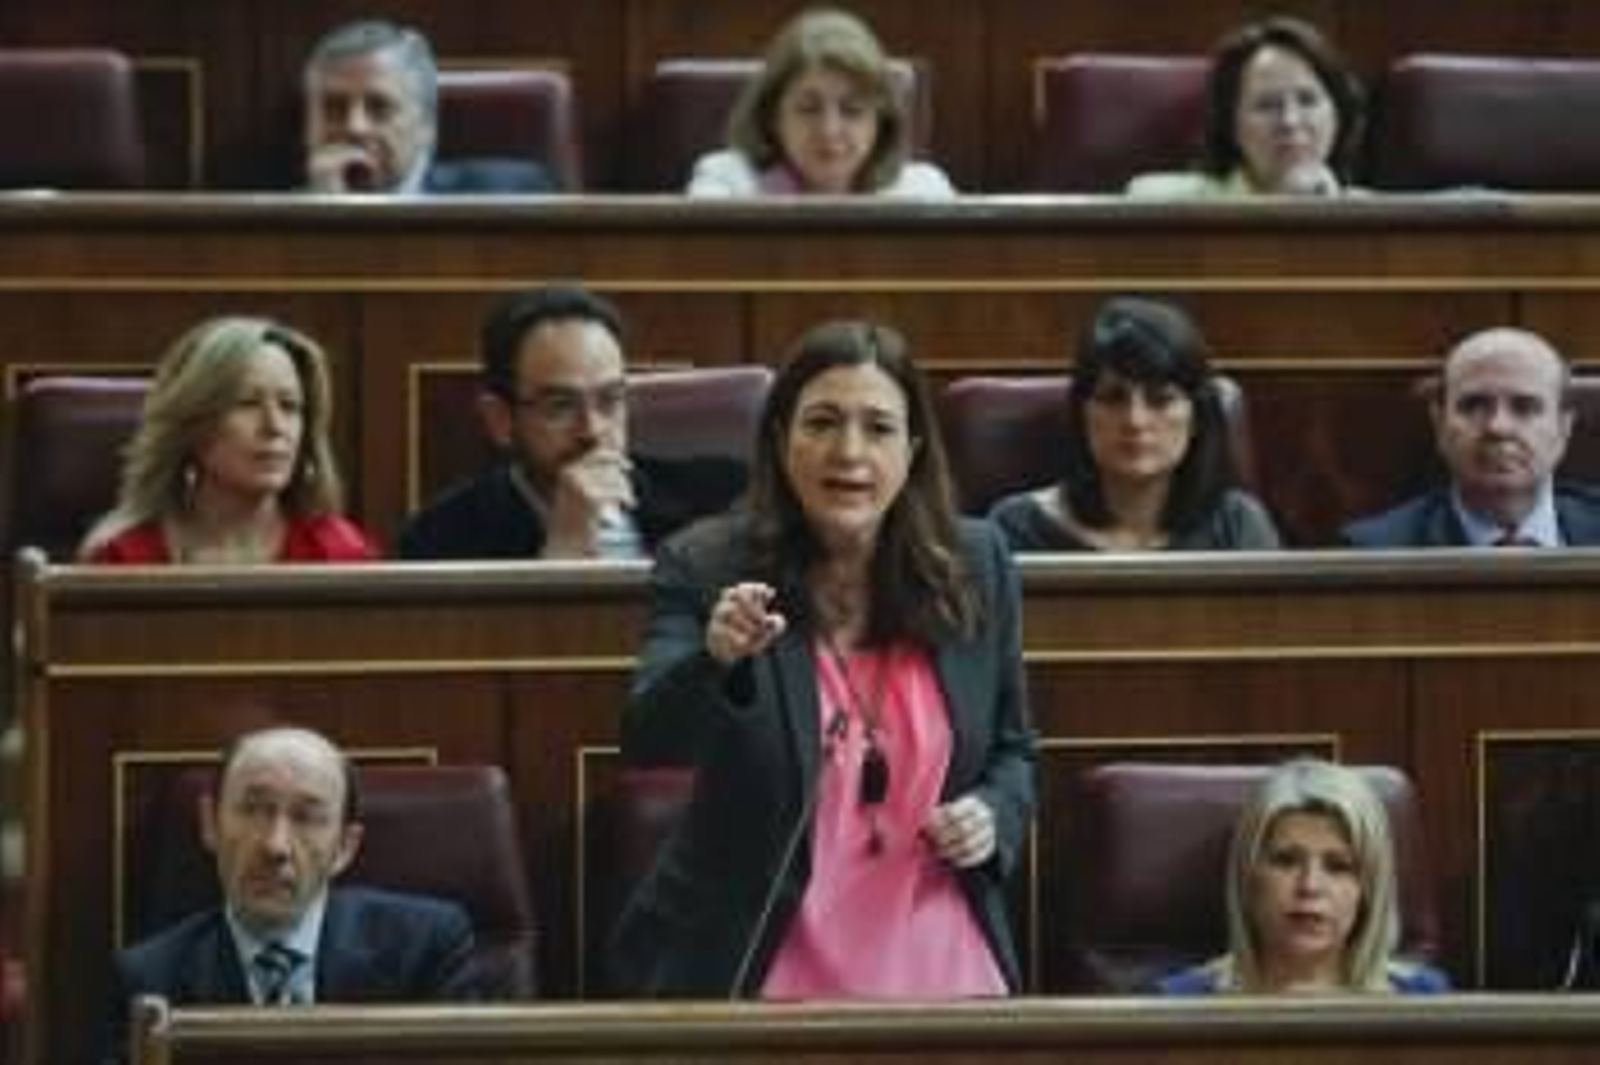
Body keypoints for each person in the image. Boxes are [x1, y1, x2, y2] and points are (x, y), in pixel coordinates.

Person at [607, 319, 1035, 999]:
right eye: (823, 422)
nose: (850, 452)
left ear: (914, 448)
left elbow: (1015, 752)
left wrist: (993, 813)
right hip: (759, 956)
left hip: (942, 959)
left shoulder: (977, 564)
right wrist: (716, 659)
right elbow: (651, 737)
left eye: (879, 426)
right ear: (781, 442)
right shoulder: (707, 564)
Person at [104, 727, 495, 1059]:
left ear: (345, 847)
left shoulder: (425, 950)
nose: (275, 846)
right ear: (210, 824)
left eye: (307, 817)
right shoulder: (149, 979)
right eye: (254, 809)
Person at [397, 285, 748, 559]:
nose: (592, 430)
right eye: (560, 406)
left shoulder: (720, 499)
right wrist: (562, 554)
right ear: (500, 419)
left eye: (610, 400)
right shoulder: (440, 540)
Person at [988, 297, 1280, 552]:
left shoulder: (1237, 526)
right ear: (1081, 413)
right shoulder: (1017, 529)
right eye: (1113, 398)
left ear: (1196, 419)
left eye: (1160, 400)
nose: (1135, 421)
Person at [79, 316, 378, 564]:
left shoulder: (339, 555)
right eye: (247, 403)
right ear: (193, 421)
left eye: (289, 406)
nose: (274, 427)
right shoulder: (124, 559)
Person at [1158, 758, 1450, 994]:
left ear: (1369, 888)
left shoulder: (1424, 999)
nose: (1310, 886)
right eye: (1285, 861)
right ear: (1247, 877)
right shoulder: (1177, 1006)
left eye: (1338, 866)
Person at [1342, 327, 1600, 547]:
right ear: (1439, 424)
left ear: (1564, 427)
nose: (1498, 428)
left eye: (1524, 407)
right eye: (1474, 406)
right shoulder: (1375, 549)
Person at [685, 8, 955, 198]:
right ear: (772, 115)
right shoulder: (727, 184)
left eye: (852, 111)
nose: (829, 130)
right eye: (808, 109)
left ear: (881, 121)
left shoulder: (923, 193)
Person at [302, 19, 557, 194]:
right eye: (333, 109)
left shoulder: (509, 194)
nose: (355, 127)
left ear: (426, 124)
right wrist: (325, 218)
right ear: (308, 126)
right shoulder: (271, 223)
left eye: (379, 107)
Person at [1126, 16, 1364, 199]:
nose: (1289, 121)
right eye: (1266, 105)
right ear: (1230, 122)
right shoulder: (1159, 205)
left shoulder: (1381, 222)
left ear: (1338, 113)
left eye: (1307, 100)